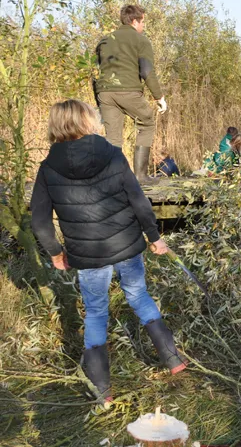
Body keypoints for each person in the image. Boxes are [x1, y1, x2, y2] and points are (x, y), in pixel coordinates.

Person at [30, 100, 187, 405]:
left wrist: (54, 252)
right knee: (139, 297)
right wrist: (155, 237)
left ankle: (102, 392)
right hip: (127, 245)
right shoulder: (112, 154)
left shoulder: (48, 168)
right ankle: (173, 360)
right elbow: (139, 201)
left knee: (97, 313)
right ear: (87, 121)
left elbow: (39, 221)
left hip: (88, 256)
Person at [95, 5, 167, 183]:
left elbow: (94, 72)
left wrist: (99, 98)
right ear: (134, 21)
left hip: (104, 92)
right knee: (147, 123)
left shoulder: (104, 40)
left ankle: (113, 178)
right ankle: (141, 176)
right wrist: (159, 97)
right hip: (128, 90)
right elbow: (147, 71)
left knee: (113, 136)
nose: (143, 26)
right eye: (142, 22)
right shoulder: (140, 40)